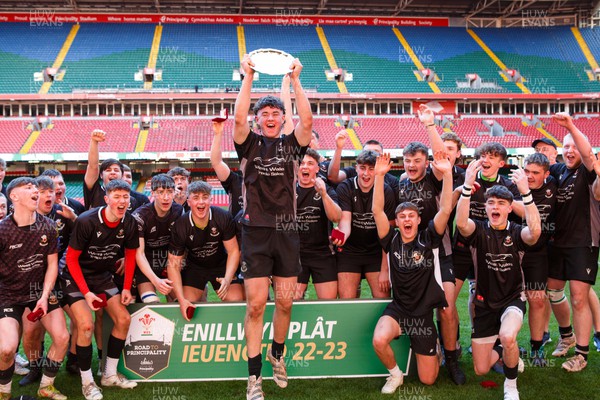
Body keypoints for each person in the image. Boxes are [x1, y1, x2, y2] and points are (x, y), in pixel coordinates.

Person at [234, 53, 312, 400]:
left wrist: (295, 80)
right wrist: (248, 76)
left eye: (274, 113)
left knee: (285, 304)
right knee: (255, 306)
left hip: (286, 232)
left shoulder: (292, 146)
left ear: (282, 119)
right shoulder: (248, 144)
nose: (269, 117)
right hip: (255, 232)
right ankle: (254, 378)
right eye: (263, 114)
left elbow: (307, 122)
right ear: (257, 120)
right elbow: (237, 118)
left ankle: (277, 352)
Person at [456, 160, 541, 400]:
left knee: (508, 335)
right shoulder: (479, 230)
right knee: (481, 369)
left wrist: (525, 193)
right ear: (485, 207)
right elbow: (461, 223)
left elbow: (535, 232)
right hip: (483, 304)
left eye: (501, 204)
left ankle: (511, 385)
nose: (495, 207)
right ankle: (503, 350)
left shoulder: (516, 231)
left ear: (508, 208)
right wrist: (466, 186)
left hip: (512, 299)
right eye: (491, 203)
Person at [371, 151, 453, 394]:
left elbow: (446, 209)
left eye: (411, 216)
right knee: (379, 339)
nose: (406, 220)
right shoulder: (391, 240)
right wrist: (378, 176)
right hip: (399, 309)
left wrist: (447, 175)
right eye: (402, 216)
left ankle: (434, 347)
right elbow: (377, 211)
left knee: (428, 380)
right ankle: (395, 375)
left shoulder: (430, 238)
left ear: (418, 220)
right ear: (396, 221)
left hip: (423, 314)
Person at [61, 179, 139, 400]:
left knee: (123, 320)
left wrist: (126, 288)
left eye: (125, 197)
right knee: (85, 325)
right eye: (117, 196)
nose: (122, 201)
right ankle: (87, 382)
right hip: (75, 278)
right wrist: (86, 293)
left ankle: (109, 374)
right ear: (107, 199)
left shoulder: (130, 223)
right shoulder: (87, 221)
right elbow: (72, 260)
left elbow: (131, 256)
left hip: (102, 277)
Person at [0, 177, 69, 400]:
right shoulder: (2, 230)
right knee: (7, 349)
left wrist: (44, 295)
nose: (35, 191)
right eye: (28, 187)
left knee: (61, 337)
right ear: (14, 196)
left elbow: (51, 265)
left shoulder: (48, 226)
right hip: (8, 294)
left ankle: (46, 386)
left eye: (35, 188)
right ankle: (4, 392)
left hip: (38, 291)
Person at [546, 113, 600, 372]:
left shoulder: (589, 172)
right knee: (553, 291)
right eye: (565, 146)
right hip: (558, 243)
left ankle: (581, 353)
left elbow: (589, 156)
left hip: (583, 243)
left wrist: (570, 126)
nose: (570, 151)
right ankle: (566, 336)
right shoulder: (559, 171)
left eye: (574, 146)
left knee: (579, 298)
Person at [167, 180, 242, 315]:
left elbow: (233, 251)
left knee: (236, 300)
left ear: (211, 200)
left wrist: (228, 277)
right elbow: (173, 265)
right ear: (189, 201)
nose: (201, 202)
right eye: (196, 198)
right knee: (187, 301)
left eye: (205, 197)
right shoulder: (180, 226)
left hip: (220, 265)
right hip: (195, 267)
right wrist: (181, 298)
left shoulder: (223, 217)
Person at [333, 150, 396, 299]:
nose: (366, 173)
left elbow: (388, 235)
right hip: (350, 252)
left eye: (371, 168)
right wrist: (341, 235)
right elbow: (346, 222)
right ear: (356, 168)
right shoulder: (345, 187)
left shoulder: (386, 191)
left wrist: (385, 269)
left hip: (376, 251)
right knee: (346, 301)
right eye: (362, 168)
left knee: (383, 300)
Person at [520, 154, 556, 366]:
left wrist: (519, 203)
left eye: (535, 173)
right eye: (527, 171)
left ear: (546, 174)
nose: (529, 176)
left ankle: (536, 348)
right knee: (504, 299)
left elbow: (531, 217)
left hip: (536, 253)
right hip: (511, 250)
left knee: (537, 299)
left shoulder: (551, 190)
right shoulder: (514, 184)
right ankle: (503, 345)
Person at [295, 148, 342, 299]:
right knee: (290, 303)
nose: (305, 166)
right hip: (295, 255)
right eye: (301, 163)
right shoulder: (288, 190)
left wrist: (323, 194)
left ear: (317, 168)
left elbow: (336, 217)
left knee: (328, 303)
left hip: (322, 253)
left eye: (310, 163)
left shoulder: (325, 189)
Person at [132, 174, 181, 303]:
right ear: (153, 193)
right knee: (152, 303)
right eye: (160, 192)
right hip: (146, 264)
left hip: (169, 263)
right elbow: (139, 254)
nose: (166, 197)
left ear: (174, 193)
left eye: (170, 192)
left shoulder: (178, 211)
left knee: (180, 301)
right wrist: (155, 280)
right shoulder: (140, 216)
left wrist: (173, 267)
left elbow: (181, 246)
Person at [210, 120, 243, 218]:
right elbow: (216, 162)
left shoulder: (268, 181)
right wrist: (218, 134)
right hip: (236, 232)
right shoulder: (235, 181)